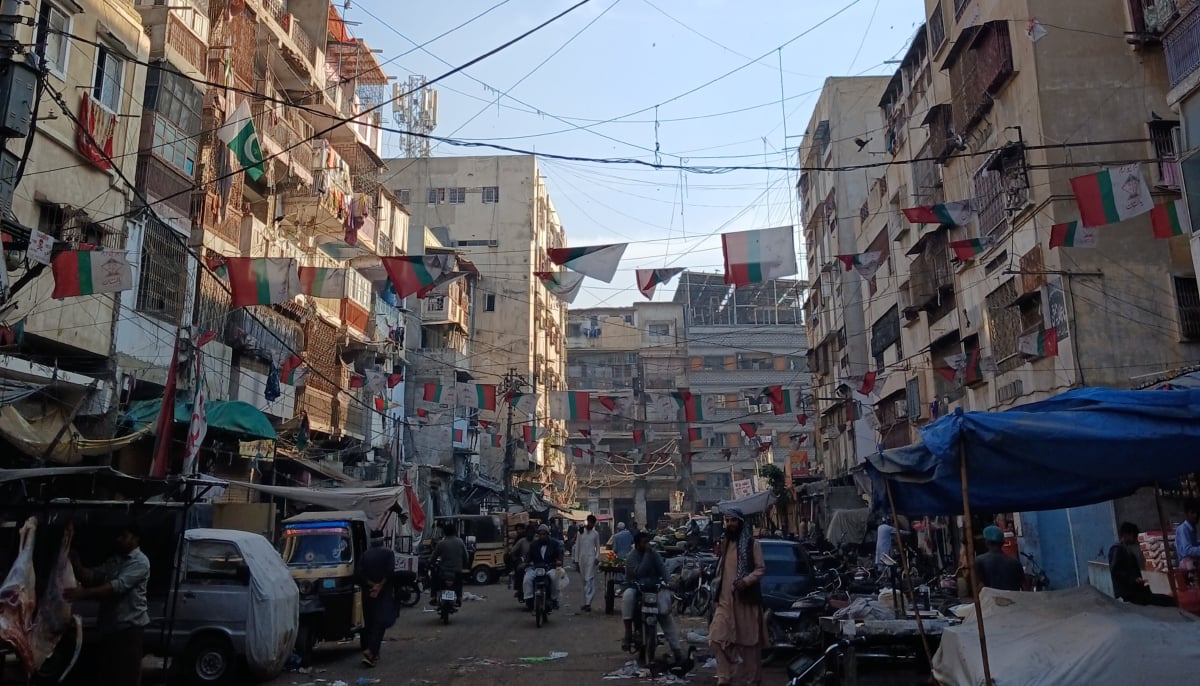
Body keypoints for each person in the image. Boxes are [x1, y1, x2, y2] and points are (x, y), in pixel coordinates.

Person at [66, 522, 151, 686]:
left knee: (126, 676)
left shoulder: (141, 562)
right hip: (109, 627)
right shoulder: (116, 560)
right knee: (108, 674)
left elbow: (116, 587)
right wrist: (77, 564)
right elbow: (94, 575)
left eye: (124, 536)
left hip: (128, 629)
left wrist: (84, 594)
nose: (119, 540)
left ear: (135, 539)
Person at [708, 508, 766, 686]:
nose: (730, 524)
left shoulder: (751, 544)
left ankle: (751, 680)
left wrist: (746, 581)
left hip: (745, 601)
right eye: (727, 521)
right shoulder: (726, 543)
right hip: (725, 602)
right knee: (716, 639)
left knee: (749, 645)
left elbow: (760, 568)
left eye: (733, 521)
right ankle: (725, 676)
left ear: (740, 522)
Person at [622, 531, 689, 671]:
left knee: (666, 616)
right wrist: (647, 555)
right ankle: (628, 633)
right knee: (627, 596)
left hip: (654, 589)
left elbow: (663, 569)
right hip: (637, 589)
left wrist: (670, 582)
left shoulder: (655, 554)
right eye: (644, 542)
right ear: (637, 544)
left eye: (648, 542)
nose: (647, 545)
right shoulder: (631, 557)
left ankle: (677, 651)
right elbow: (638, 573)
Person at [1110, 522, 1176, 607]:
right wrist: (1133, 579)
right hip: (1129, 593)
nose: (1135, 539)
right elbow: (1116, 570)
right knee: (1166, 601)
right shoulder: (1117, 550)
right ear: (1126, 535)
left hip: (1134, 591)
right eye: (1134, 536)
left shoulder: (1125, 549)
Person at [359, 531, 397, 668]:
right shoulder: (388, 553)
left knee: (369, 623)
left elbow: (360, 574)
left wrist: (372, 585)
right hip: (383, 593)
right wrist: (380, 586)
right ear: (382, 540)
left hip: (368, 593)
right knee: (380, 623)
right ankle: (371, 651)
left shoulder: (365, 555)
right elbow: (390, 572)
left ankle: (372, 652)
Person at [523, 524, 562, 610]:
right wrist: (527, 563)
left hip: (549, 568)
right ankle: (529, 599)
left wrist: (559, 561)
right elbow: (529, 557)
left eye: (544, 534)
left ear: (548, 534)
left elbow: (559, 554)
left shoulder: (554, 544)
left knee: (555, 578)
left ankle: (554, 599)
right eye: (540, 534)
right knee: (527, 579)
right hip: (536, 568)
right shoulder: (534, 545)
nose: (542, 536)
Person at [974, 525, 1025, 592]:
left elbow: (979, 587)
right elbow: (1024, 588)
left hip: (990, 601)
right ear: (1003, 542)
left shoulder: (979, 561)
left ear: (986, 542)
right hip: (1013, 601)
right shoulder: (1016, 563)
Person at [432, 523, 467, 607]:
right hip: (457, 571)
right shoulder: (460, 542)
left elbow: (434, 556)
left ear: (444, 532)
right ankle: (458, 598)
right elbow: (466, 556)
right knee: (459, 583)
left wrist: (430, 562)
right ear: (455, 532)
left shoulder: (441, 543)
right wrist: (464, 564)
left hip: (443, 571)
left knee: (434, 579)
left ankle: (433, 597)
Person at [574, 514, 601, 611]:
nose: (590, 524)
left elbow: (598, 548)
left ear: (594, 524)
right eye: (589, 522)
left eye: (592, 523)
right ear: (587, 522)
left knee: (589, 579)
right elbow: (577, 547)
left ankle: (588, 603)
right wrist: (576, 561)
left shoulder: (595, 534)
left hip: (591, 559)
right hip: (582, 559)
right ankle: (586, 602)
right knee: (584, 581)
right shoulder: (580, 532)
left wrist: (597, 557)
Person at [1175, 500, 1200, 571]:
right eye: (1192, 513)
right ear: (1186, 514)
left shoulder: (1192, 529)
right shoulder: (1183, 529)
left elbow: (1194, 545)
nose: (1196, 515)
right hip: (1187, 563)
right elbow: (1187, 550)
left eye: (1197, 513)